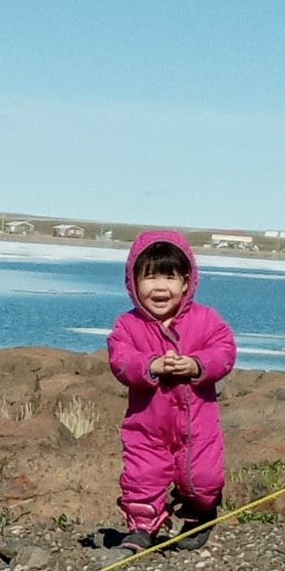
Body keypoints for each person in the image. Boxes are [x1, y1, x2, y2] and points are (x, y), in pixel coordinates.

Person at [107, 229, 236, 553]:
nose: (160, 287)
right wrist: (151, 365)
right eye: (150, 277)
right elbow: (120, 360)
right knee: (142, 475)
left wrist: (196, 365)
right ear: (133, 281)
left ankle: (200, 512)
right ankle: (141, 528)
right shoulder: (128, 325)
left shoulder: (205, 320)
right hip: (147, 425)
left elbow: (224, 352)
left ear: (186, 282)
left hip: (197, 425)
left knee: (202, 478)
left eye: (169, 277)